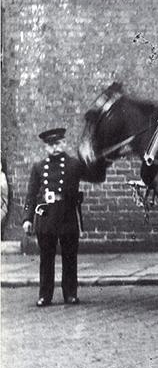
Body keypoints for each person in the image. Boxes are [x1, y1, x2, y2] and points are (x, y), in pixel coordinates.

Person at [22, 128, 87, 307]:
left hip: (67, 216)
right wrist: (27, 218)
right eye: (51, 145)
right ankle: (45, 295)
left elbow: (92, 171)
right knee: (46, 259)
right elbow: (31, 195)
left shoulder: (74, 165)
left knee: (69, 257)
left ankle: (70, 293)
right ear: (46, 147)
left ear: (64, 143)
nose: (55, 148)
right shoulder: (39, 167)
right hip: (46, 217)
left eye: (58, 143)